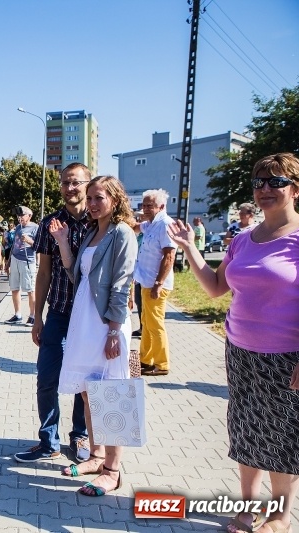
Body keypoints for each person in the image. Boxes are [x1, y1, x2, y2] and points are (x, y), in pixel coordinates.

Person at [166, 153, 299, 533]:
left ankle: (280, 516)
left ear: (295, 189)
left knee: (283, 436)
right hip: (240, 350)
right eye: (259, 182)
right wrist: (190, 247)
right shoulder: (243, 240)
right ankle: (246, 507)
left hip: (287, 356)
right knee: (245, 428)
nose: (265, 189)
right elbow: (214, 288)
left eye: (276, 181)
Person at [54, 176, 137, 497]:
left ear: (115, 199)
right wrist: (63, 241)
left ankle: (113, 470)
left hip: (107, 322)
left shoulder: (123, 233)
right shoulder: (92, 231)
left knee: (112, 393)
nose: (91, 203)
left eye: (98, 198)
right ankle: (97, 455)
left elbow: (122, 282)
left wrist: (115, 329)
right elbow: (77, 273)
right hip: (83, 318)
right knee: (90, 390)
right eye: (89, 198)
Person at [15, 162, 91, 464]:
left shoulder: (100, 222)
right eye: (65, 183)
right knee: (47, 378)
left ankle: (80, 436)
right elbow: (43, 273)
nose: (70, 188)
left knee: (84, 381)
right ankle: (49, 442)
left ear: (87, 183)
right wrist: (38, 316)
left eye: (76, 182)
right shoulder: (50, 223)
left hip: (90, 317)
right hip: (59, 313)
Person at [133, 189, 176, 376]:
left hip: (156, 284)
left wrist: (159, 283)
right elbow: (134, 226)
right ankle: (146, 360)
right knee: (146, 322)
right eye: (144, 205)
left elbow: (169, 256)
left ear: (161, 206)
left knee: (155, 324)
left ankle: (162, 364)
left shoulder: (165, 224)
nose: (146, 209)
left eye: (150, 205)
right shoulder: (150, 224)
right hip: (145, 281)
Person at [4, 206, 39, 326]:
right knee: (14, 288)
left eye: (22, 215)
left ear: (29, 215)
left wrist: (29, 241)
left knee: (30, 290)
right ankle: (17, 314)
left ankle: (32, 316)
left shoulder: (35, 228)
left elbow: (40, 246)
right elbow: (14, 245)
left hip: (27, 261)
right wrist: (8, 262)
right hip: (15, 259)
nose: (19, 218)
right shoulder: (18, 227)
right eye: (18, 216)